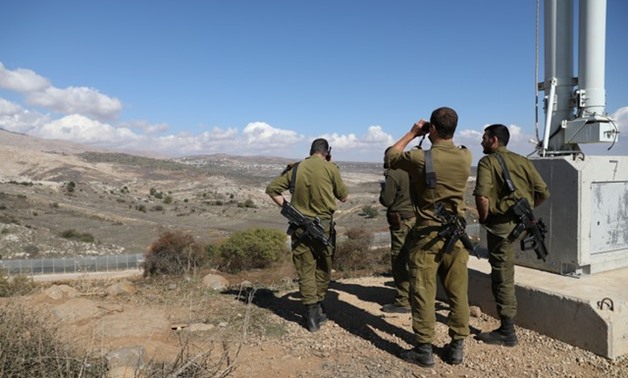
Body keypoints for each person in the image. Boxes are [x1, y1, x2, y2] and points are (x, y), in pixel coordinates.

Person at [386, 106, 472, 367]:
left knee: (423, 290)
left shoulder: (421, 158)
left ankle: (424, 348)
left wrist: (413, 133)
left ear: (431, 128)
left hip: (428, 235)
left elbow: (391, 156)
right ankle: (457, 346)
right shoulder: (465, 156)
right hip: (456, 236)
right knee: (458, 291)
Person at [473, 124, 550, 347]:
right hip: (522, 225)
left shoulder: (487, 162)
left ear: (494, 140)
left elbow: (482, 197)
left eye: (484, 138)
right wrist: (527, 208)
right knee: (506, 271)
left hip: (502, 227)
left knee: (502, 275)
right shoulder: (523, 160)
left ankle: (507, 331)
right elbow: (543, 192)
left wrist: (485, 218)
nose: (481, 142)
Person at [265, 138, 349, 332]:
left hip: (300, 227)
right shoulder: (331, 168)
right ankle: (317, 307)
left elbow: (272, 190)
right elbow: (344, 197)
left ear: (311, 151)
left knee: (305, 268)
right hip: (324, 227)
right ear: (326, 152)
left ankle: (311, 313)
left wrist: (290, 209)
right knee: (323, 267)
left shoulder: (296, 168)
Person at [379, 147, 415, 313]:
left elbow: (387, 200)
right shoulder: (415, 168)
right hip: (417, 219)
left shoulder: (394, 173)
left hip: (401, 222)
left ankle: (403, 301)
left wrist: (383, 190)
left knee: (400, 260)